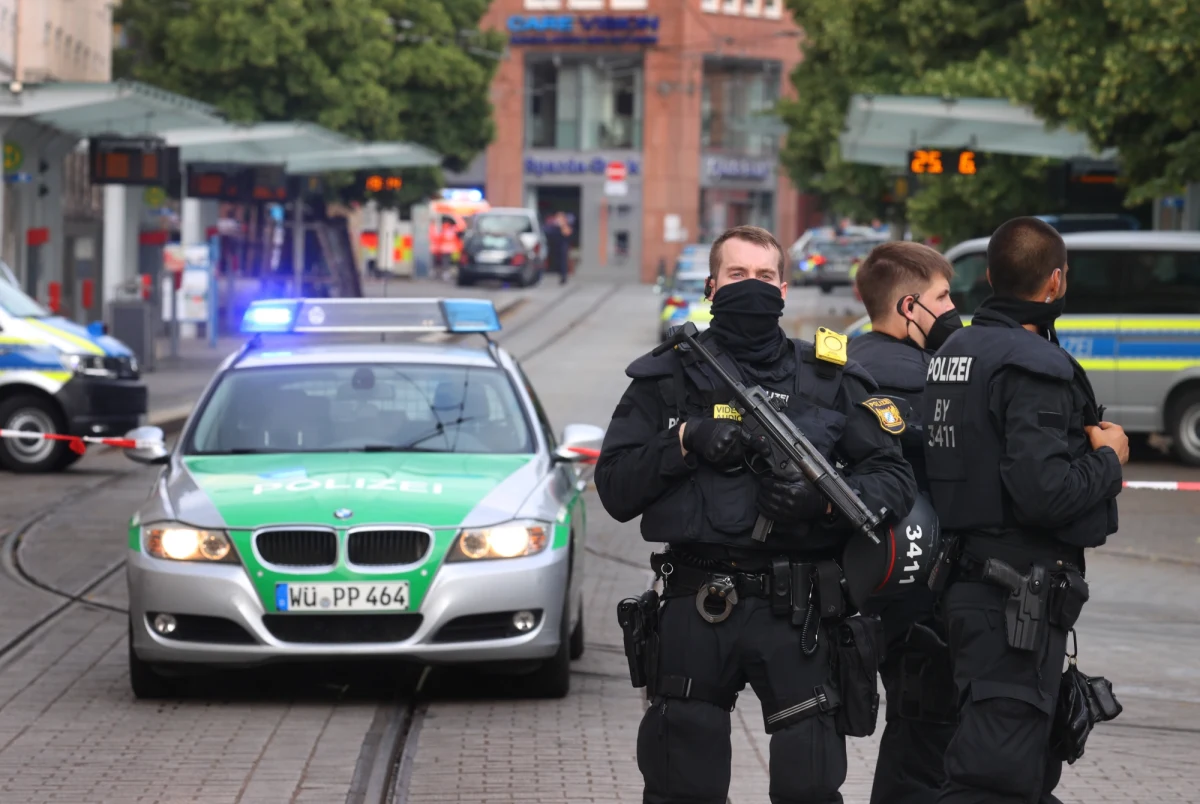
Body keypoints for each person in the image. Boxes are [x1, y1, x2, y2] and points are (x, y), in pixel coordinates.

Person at [596, 224, 917, 804]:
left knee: (809, 784)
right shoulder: (664, 377)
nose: (753, 287)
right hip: (696, 605)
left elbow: (894, 478)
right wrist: (685, 440)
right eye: (738, 275)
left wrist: (821, 500)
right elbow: (615, 489)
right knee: (680, 781)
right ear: (712, 286)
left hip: (797, 613)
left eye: (765, 276)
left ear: (785, 288)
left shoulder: (831, 376)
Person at [922, 217, 1127, 803]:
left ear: (988, 276)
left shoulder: (955, 350)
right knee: (994, 778)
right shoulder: (1032, 363)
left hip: (971, 590)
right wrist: (1109, 460)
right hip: (1012, 604)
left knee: (1022, 773)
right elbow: (1045, 493)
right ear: (1056, 281)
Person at [848, 242, 962, 804]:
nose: (953, 308)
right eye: (944, 296)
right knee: (925, 737)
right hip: (926, 587)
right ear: (911, 306)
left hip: (859, 587)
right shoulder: (931, 379)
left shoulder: (836, 365)